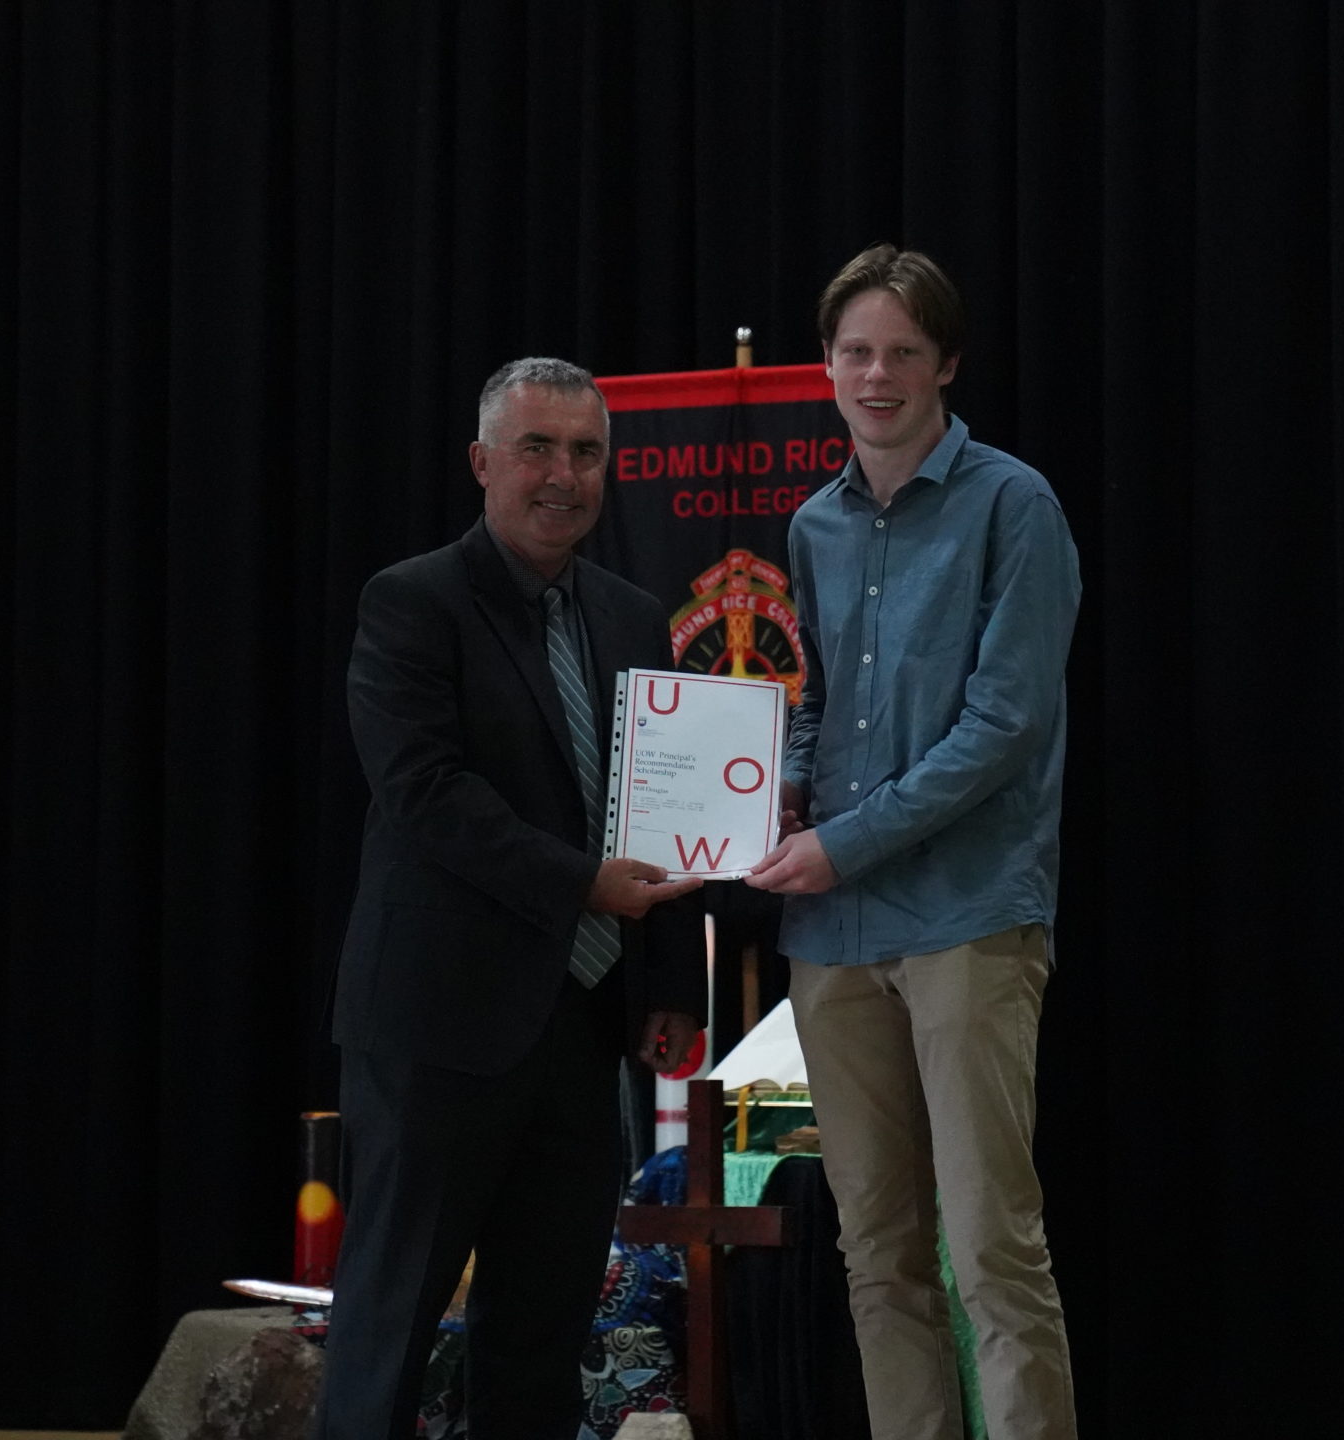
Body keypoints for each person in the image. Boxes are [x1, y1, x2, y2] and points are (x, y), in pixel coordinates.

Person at [318, 357, 707, 1440]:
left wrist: (669, 984)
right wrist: (584, 884)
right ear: (483, 463)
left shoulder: (635, 616)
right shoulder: (411, 601)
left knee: (542, 1332)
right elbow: (426, 794)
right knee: (389, 1328)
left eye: (586, 453)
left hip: (583, 1031)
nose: (563, 475)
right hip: (437, 1026)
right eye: (537, 449)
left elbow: (659, 807)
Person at [745, 246, 1083, 1440]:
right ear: (826, 365)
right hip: (832, 935)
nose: (875, 375)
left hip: (966, 917)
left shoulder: (1013, 505)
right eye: (855, 352)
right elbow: (816, 701)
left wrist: (842, 844)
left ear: (946, 364)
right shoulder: (812, 524)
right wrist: (783, 794)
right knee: (875, 1251)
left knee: (991, 1245)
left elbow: (1004, 725)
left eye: (900, 352)